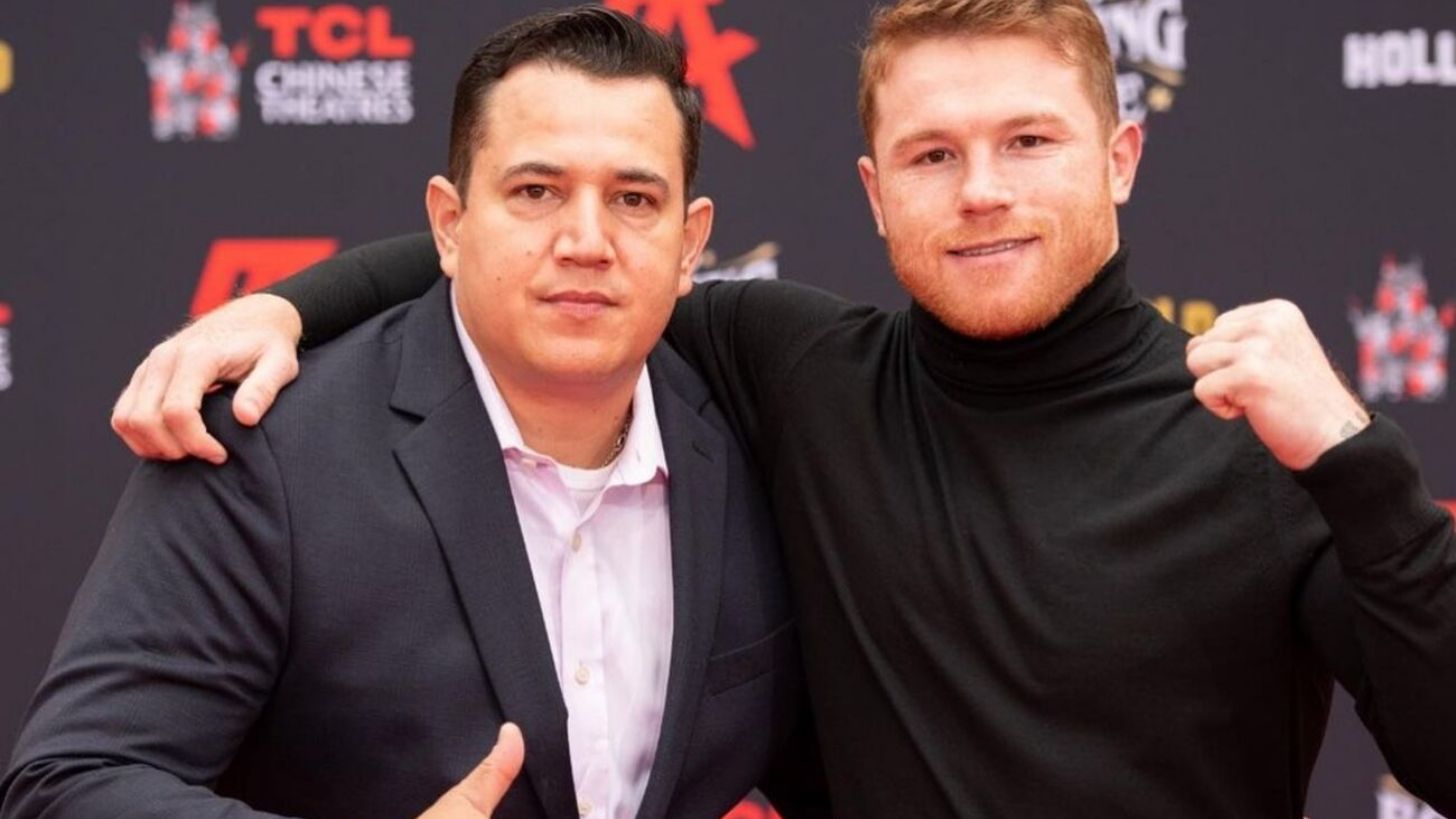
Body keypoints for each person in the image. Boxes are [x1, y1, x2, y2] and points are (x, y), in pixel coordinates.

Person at [108, 0, 1456, 816]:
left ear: (1122, 157)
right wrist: (287, 306)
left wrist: (1359, 464)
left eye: (1028, 142)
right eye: (932, 154)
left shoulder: (1261, 432)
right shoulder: (801, 367)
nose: (981, 189)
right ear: (874, 191)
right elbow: (560, 261)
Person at [3, 7, 826, 819]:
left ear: (690, 243)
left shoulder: (766, 449)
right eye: (536, 191)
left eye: (634, 199)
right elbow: (73, 782)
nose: (586, 240)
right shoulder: (271, 455)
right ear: (449, 224)